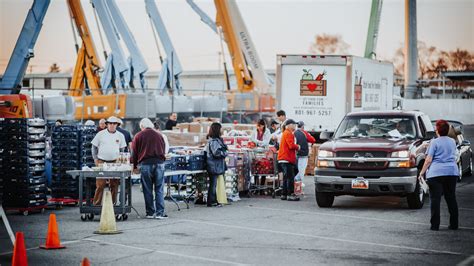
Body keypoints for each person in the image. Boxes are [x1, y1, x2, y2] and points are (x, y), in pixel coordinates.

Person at [418, 120, 459, 231]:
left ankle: (435, 225)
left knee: (435, 199)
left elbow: (428, 159)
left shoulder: (434, 142)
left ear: (437, 130)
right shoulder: (452, 141)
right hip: (451, 172)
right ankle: (454, 224)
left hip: (436, 174)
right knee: (451, 198)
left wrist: (421, 173)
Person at [132, 118, 168, 219]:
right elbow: (163, 149)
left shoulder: (138, 136)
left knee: (147, 189)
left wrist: (134, 166)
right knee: (159, 189)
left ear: (142, 126)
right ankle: (160, 213)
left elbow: (134, 153)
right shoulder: (159, 135)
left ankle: (150, 213)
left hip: (146, 164)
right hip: (159, 164)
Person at [91, 116, 126, 205]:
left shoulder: (120, 135)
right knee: (100, 184)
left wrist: (120, 162)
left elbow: (122, 150)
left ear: (117, 125)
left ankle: (112, 204)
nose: (112, 125)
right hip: (101, 161)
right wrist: (95, 159)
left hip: (115, 162)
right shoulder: (100, 134)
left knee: (114, 184)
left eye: (114, 124)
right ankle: (96, 204)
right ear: (106, 124)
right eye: (110, 123)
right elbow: (94, 147)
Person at [205, 122, 228, 207]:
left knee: (214, 184)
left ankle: (214, 200)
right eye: (221, 128)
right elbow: (216, 153)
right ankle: (211, 201)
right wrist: (224, 153)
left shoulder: (216, 140)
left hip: (215, 165)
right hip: (214, 165)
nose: (222, 130)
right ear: (217, 130)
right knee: (213, 184)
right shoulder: (214, 141)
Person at [277, 119, 300, 201]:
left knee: (287, 177)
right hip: (286, 159)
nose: (295, 126)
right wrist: (297, 146)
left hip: (283, 158)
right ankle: (290, 194)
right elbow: (291, 145)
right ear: (290, 125)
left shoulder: (285, 133)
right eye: (294, 124)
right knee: (290, 177)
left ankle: (284, 194)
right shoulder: (288, 133)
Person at [294, 121, 316, 188]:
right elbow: (313, 140)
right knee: (302, 169)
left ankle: (296, 182)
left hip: (295, 154)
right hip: (303, 154)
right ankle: (298, 183)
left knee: (296, 169)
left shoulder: (293, 132)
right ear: (303, 126)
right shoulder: (304, 133)